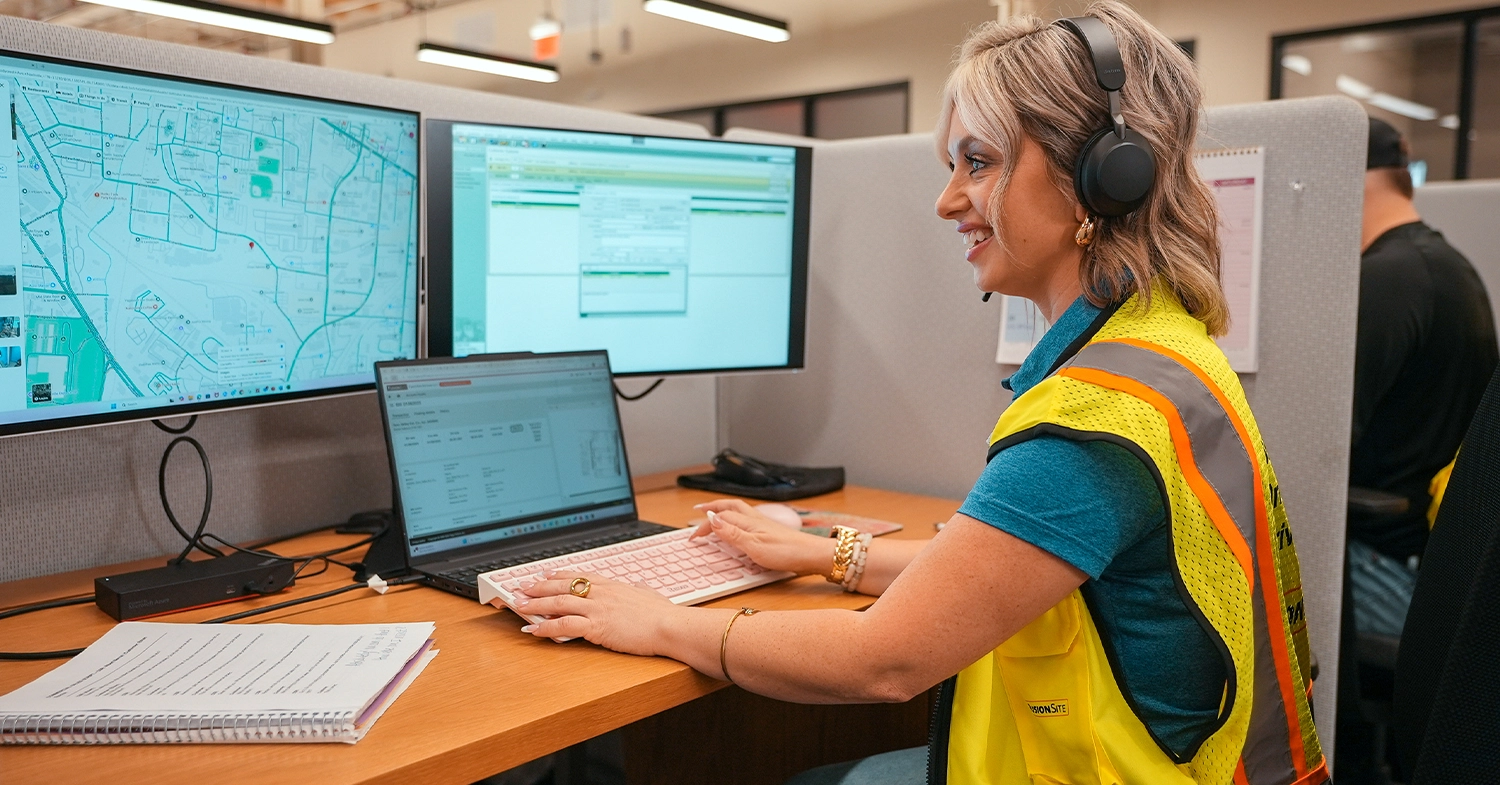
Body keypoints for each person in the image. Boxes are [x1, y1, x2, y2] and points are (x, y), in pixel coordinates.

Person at [512, 4, 1327, 783]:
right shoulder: (1165, 345)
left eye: (979, 162)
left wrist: (656, 618)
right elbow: (1017, 562)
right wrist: (825, 551)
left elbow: (884, 662)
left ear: (1099, 177)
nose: (947, 201)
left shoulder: (1096, 418)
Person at [1335, 118, 1499, 784]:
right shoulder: (1450, 266)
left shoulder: (1385, 279)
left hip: (1385, 562)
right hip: (1434, 557)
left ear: (1350, 181)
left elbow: (1323, 452)